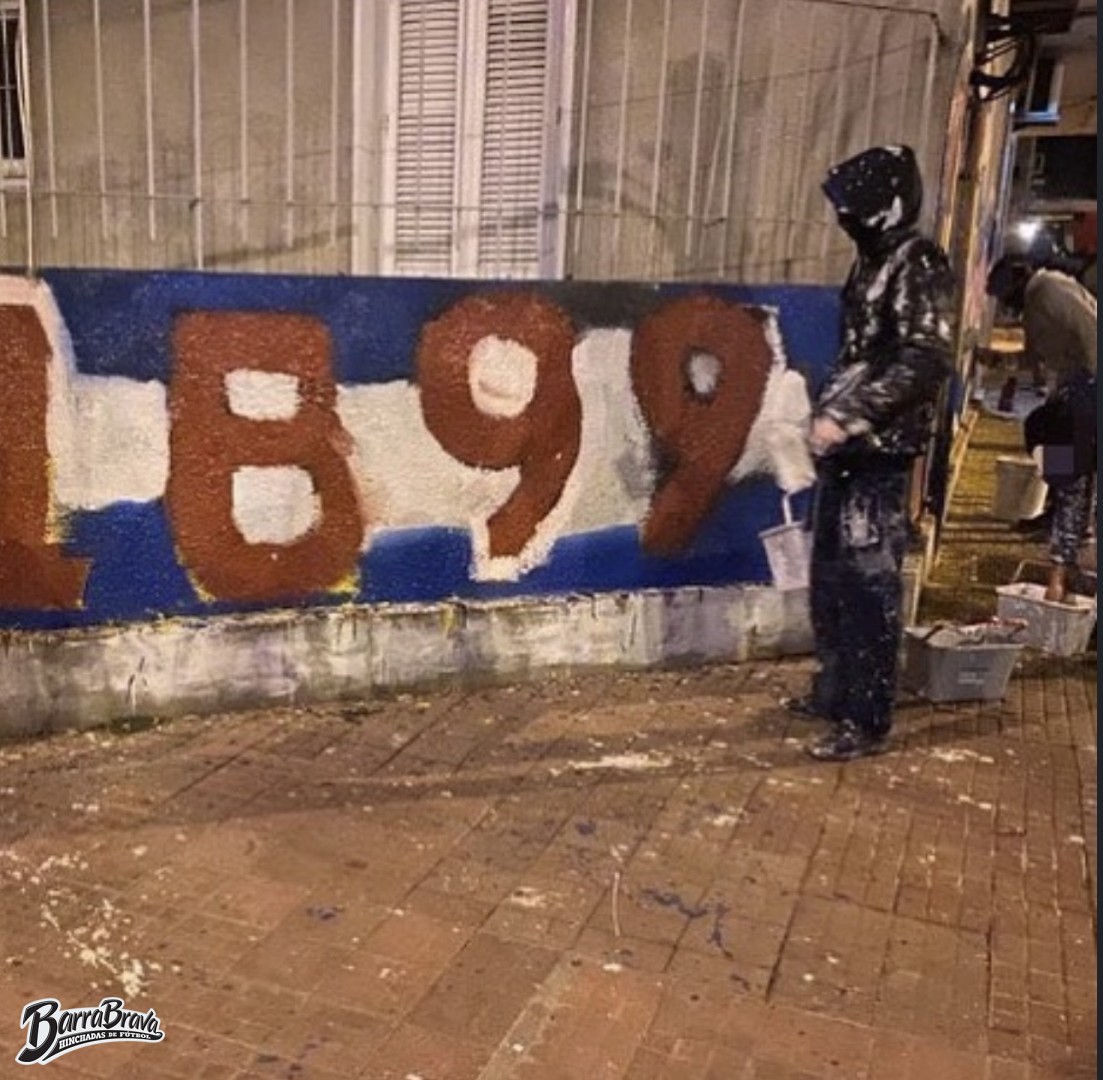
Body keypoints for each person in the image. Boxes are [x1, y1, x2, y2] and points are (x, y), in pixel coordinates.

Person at [790, 145, 954, 762]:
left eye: (853, 209)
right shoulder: (873, 260)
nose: (843, 219)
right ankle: (835, 692)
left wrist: (848, 415)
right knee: (831, 578)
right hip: (849, 449)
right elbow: (863, 351)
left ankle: (866, 716)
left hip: (879, 452)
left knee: (867, 586)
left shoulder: (917, 261)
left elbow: (926, 357)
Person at [985, 256, 1097, 601]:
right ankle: (1066, 556)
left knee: (1072, 479)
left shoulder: (1049, 290)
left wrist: (1088, 388)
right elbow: (1041, 356)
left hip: (1085, 396)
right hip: (1077, 396)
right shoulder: (1040, 298)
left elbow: (1091, 331)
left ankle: (1064, 566)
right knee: (1072, 479)